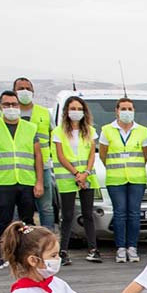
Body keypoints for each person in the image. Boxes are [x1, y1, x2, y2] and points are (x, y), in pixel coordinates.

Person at [0, 90, 43, 270]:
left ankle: (29, 255)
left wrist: (39, 182)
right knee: (4, 221)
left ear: (19, 106)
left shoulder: (30, 127)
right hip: (3, 181)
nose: (11, 108)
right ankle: (1, 256)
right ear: (0, 107)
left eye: (14, 105)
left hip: (26, 181)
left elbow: (37, 156)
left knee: (28, 221)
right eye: (7, 105)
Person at [98, 97, 147, 264]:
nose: (127, 112)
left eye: (130, 109)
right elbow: (104, 154)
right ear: (117, 111)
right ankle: (120, 247)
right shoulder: (107, 130)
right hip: (115, 178)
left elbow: (145, 154)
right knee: (120, 213)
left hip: (136, 178)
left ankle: (132, 247)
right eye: (123, 109)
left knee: (134, 213)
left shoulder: (142, 131)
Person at [53, 96, 100, 265]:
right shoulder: (58, 131)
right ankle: (63, 251)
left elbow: (91, 154)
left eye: (79, 109)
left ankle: (93, 249)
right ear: (67, 111)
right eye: (73, 108)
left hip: (87, 177)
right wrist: (76, 173)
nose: (76, 112)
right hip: (68, 177)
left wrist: (85, 173)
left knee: (88, 214)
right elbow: (60, 155)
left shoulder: (90, 130)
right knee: (67, 215)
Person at [12, 78, 55, 231]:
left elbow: (53, 137)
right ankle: (17, 241)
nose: (24, 91)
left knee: (46, 208)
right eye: (20, 88)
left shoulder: (44, 113)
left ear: (33, 92)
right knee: (19, 209)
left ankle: (48, 241)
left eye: (27, 88)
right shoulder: (7, 114)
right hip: (18, 169)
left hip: (42, 168)